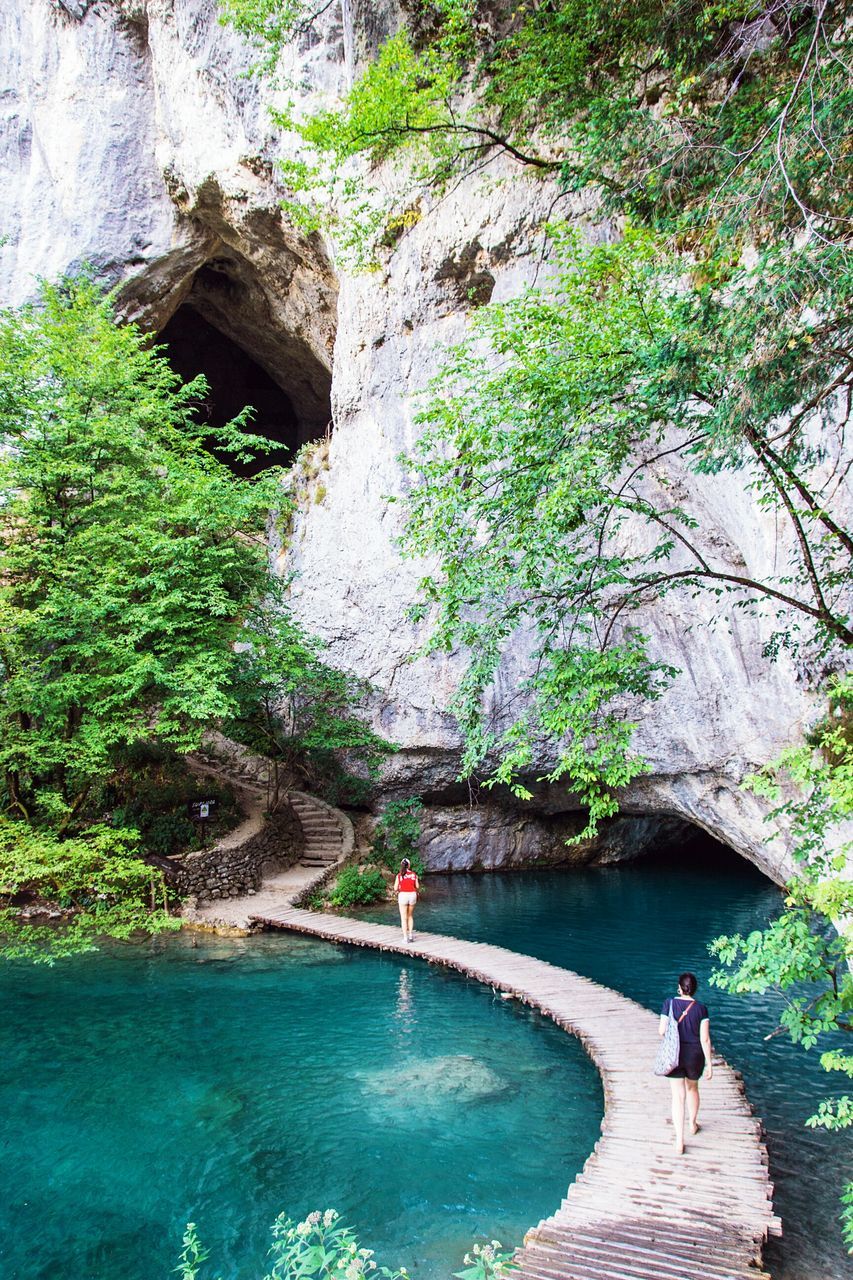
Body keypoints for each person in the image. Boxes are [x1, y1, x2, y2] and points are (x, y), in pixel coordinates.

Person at [659, 971, 713, 1155]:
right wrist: (710, 1064)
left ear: (679, 988)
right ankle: (692, 1124)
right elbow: (705, 1039)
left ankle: (679, 1141)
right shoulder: (701, 1009)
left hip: (675, 1054)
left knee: (677, 1096)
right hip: (695, 1054)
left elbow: (662, 1030)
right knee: (693, 1089)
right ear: (694, 989)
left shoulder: (669, 1004)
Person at [394, 857, 419, 943]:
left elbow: (395, 887)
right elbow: (417, 886)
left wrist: (397, 891)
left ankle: (405, 938)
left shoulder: (399, 875)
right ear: (409, 865)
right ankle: (411, 936)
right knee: (410, 916)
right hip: (412, 895)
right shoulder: (414, 874)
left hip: (403, 895)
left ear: (401, 865)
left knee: (403, 918)